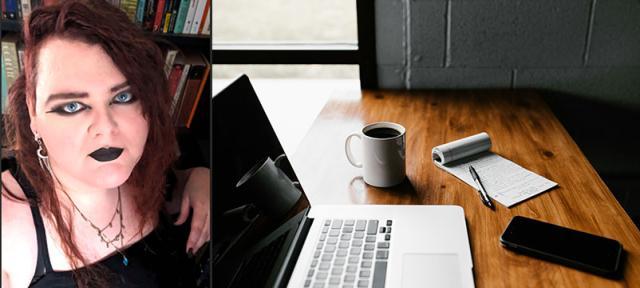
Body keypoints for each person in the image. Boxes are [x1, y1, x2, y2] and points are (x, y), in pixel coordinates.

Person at [0, 0, 210, 287]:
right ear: (33, 113)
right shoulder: (8, 227)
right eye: (72, 106)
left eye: (123, 97)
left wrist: (199, 178)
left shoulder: (148, 170)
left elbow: (174, 183)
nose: (107, 128)